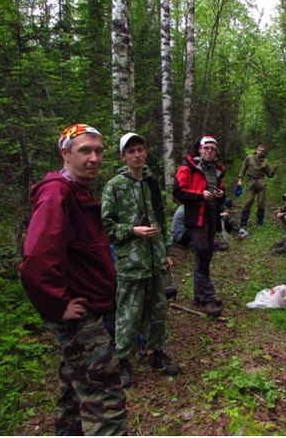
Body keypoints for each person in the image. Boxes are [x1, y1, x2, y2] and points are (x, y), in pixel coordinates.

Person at [19, 123, 127, 435]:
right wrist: (57, 305)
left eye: (98, 151)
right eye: (85, 151)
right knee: (105, 399)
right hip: (79, 317)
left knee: (74, 392)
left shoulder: (78, 192)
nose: (94, 158)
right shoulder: (56, 195)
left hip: (92, 308)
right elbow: (35, 262)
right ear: (65, 153)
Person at [101, 132, 180, 388]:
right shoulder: (115, 186)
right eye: (131, 151)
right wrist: (132, 231)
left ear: (146, 153)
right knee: (128, 314)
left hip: (155, 260)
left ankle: (157, 354)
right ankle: (124, 361)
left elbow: (161, 218)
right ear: (123, 156)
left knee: (158, 310)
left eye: (140, 150)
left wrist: (166, 251)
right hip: (130, 263)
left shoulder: (151, 182)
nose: (137, 155)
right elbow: (105, 226)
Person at [173, 136, 226, 317]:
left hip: (212, 215)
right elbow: (178, 192)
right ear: (200, 150)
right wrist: (199, 195)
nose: (210, 151)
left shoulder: (217, 170)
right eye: (206, 148)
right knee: (203, 252)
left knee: (206, 254)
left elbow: (222, 190)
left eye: (212, 148)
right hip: (196, 217)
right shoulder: (188, 168)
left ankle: (199, 295)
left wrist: (220, 194)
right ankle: (207, 298)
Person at [236, 144, 281, 228]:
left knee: (261, 202)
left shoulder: (265, 162)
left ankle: (259, 222)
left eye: (262, 151)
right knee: (248, 201)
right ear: (257, 150)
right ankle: (243, 223)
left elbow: (269, 175)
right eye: (259, 150)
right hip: (251, 181)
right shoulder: (249, 158)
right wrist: (240, 179)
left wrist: (274, 169)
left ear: (264, 152)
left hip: (261, 182)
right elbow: (243, 168)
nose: (261, 152)